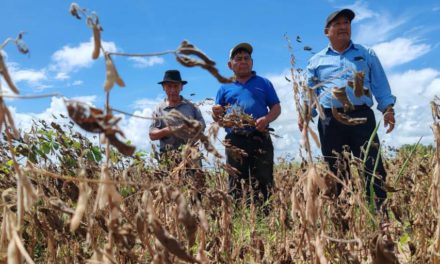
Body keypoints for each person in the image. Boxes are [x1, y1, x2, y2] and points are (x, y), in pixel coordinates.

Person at [301, 9, 396, 209]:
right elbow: (309, 92)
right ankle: (343, 216)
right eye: (338, 24)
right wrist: (306, 113)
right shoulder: (316, 61)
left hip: (361, 116)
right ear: (327, 32)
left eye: (346, 23)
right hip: (330, 120)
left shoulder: (366, 54)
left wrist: (388, 108)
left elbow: (380, 83)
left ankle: (380, 215)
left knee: (372, 165)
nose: (344, 27)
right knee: (336, 169)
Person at [212, 43, 281, 206]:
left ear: (252, 62)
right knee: (235, 178)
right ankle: (238, 213)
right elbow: (219, 118)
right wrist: (216, 113)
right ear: (230, 65)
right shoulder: (224, 88)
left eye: (246, 58)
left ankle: (265, 214)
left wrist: (266, 119)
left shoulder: (264, 83)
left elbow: (276, 108)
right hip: (235, 139)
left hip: (260, 136)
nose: (243, 61)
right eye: (238, 59)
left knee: (264, 177)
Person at [149, 70, 206, 159]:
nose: (173, 90)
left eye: (176, 86)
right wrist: (172, 129)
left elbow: (202, 127)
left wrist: (191, 128)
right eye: (169, 86)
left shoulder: (192, 107)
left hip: (191, 155)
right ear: (163, 87)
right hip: (167, 156)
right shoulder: (158, 110)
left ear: (181, 87)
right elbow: (152, 135)